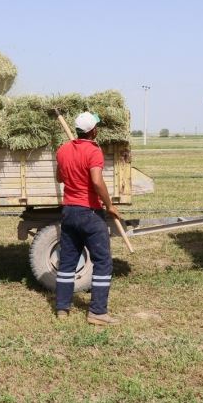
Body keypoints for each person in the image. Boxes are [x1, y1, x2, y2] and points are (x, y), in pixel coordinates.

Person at [54, 111, 122, 325]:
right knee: (102, 262)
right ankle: (97, 312)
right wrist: (109, 205)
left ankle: (62, 308)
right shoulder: (94, 151)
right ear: (93, 130)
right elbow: (96, 180)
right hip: (90, 213)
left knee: (67, 261)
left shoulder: (63, 150)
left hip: (69, 211)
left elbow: (59, 177)